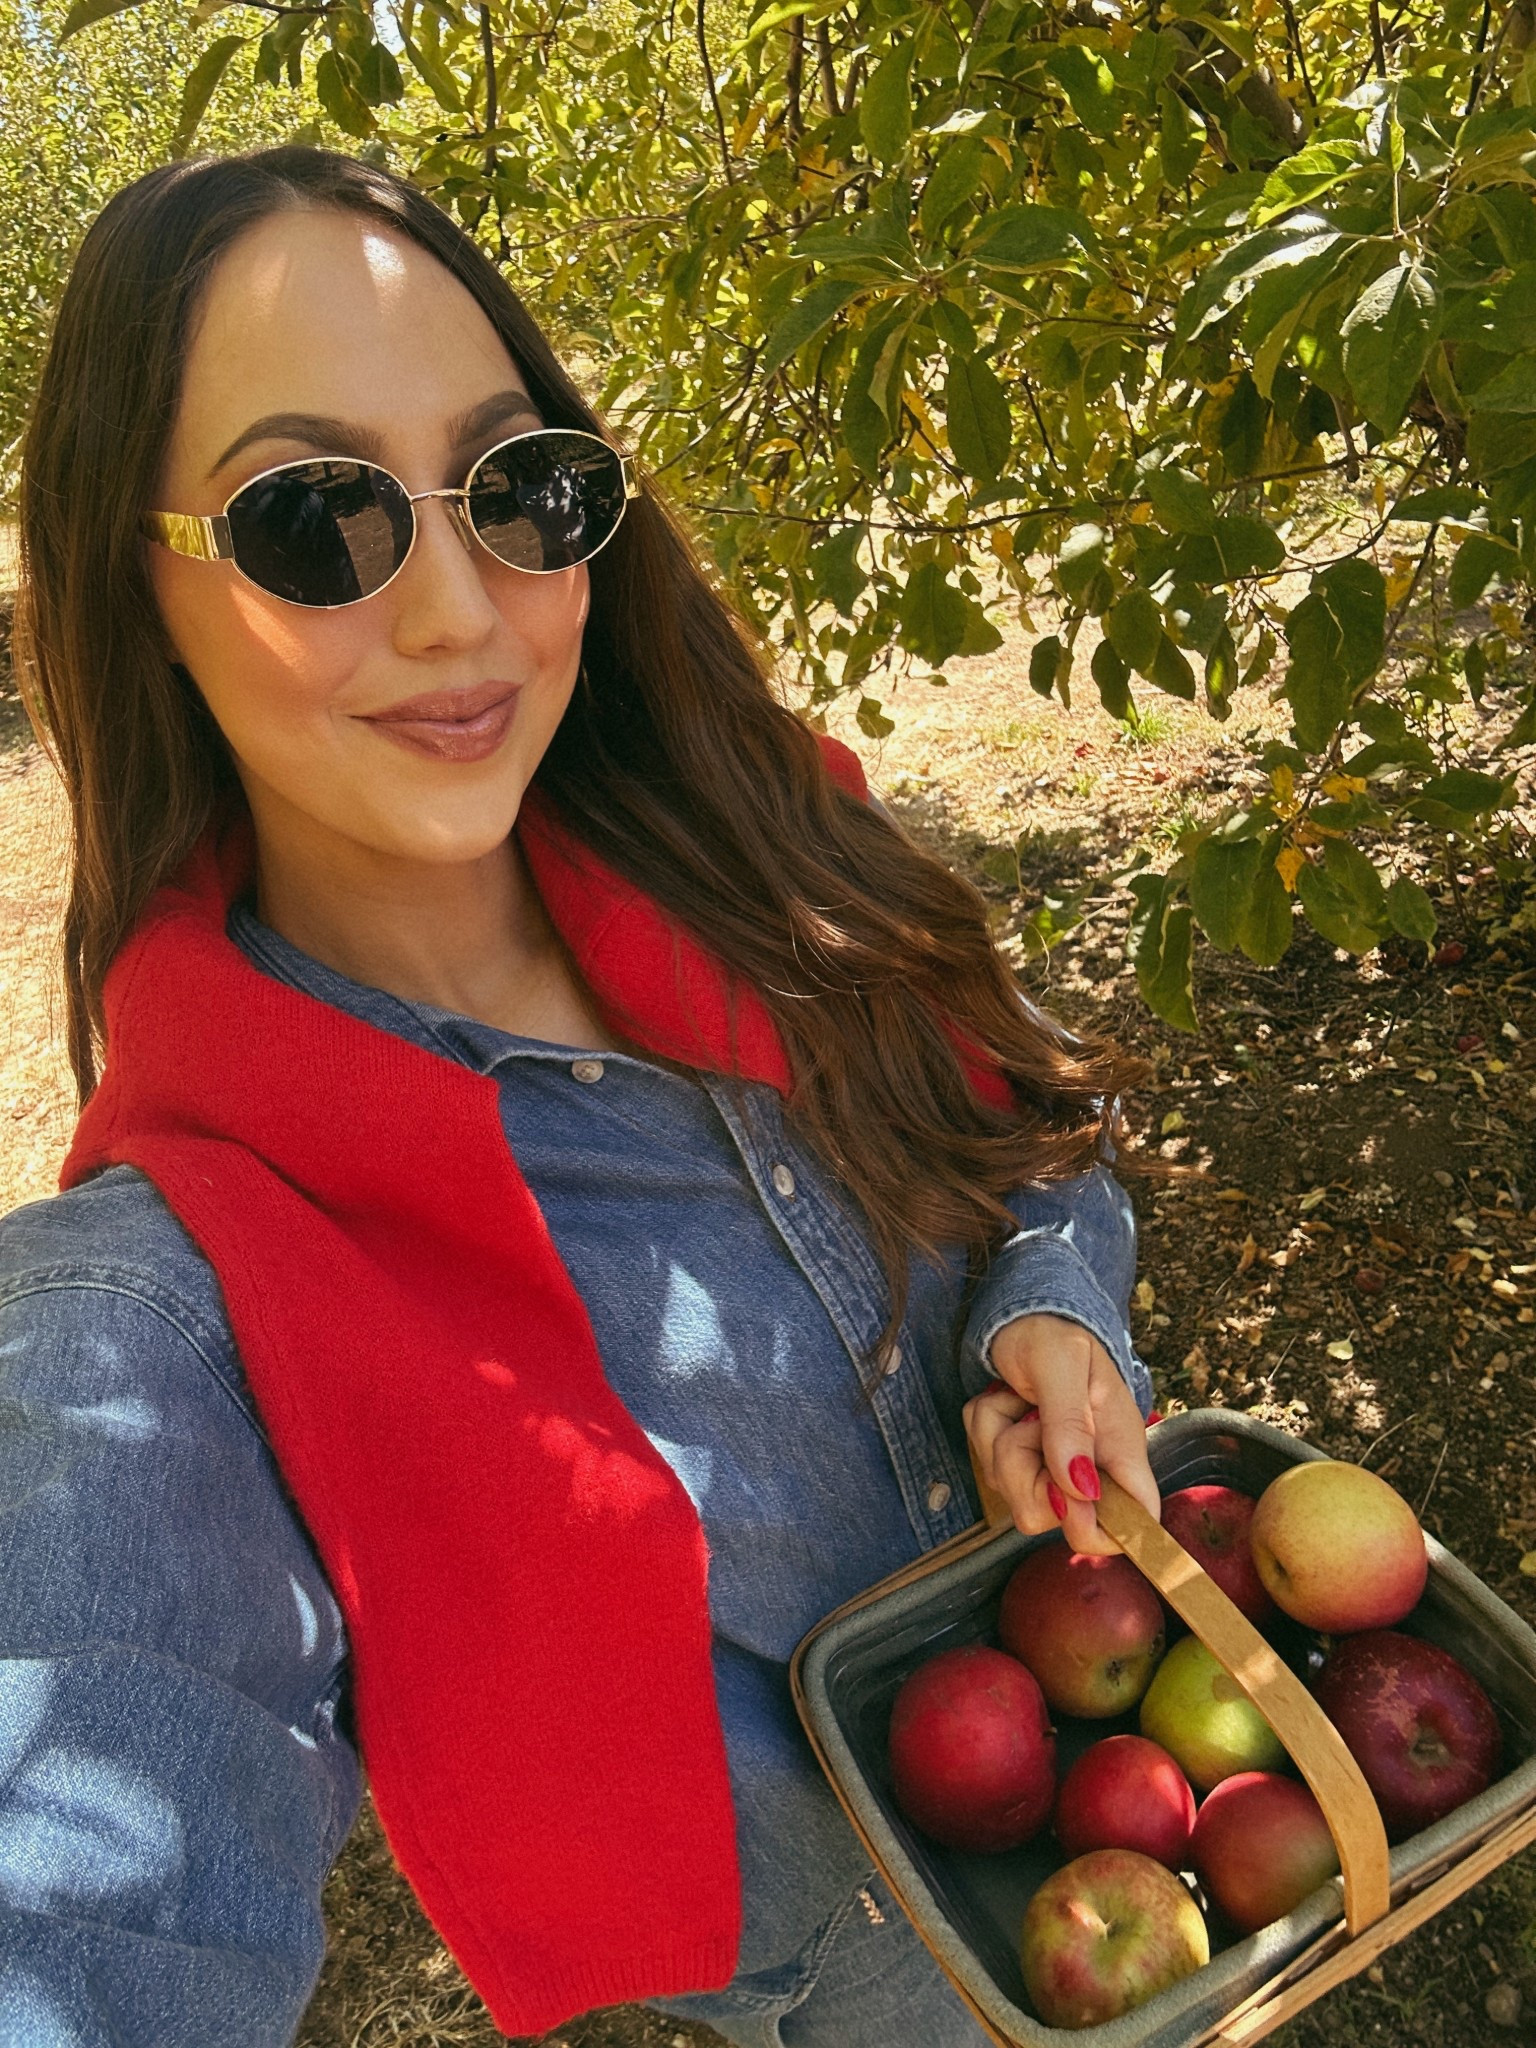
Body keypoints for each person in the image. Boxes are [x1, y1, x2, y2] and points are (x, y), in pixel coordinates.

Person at [0, 145, 1162, 2048]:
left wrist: (1048, 1303)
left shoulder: (776, 849)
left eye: (516, 490)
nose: (463, 613)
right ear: (143, 585)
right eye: (315, 520)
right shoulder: (156, 1316)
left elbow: (1028, 1133)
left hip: (1161, 1781)